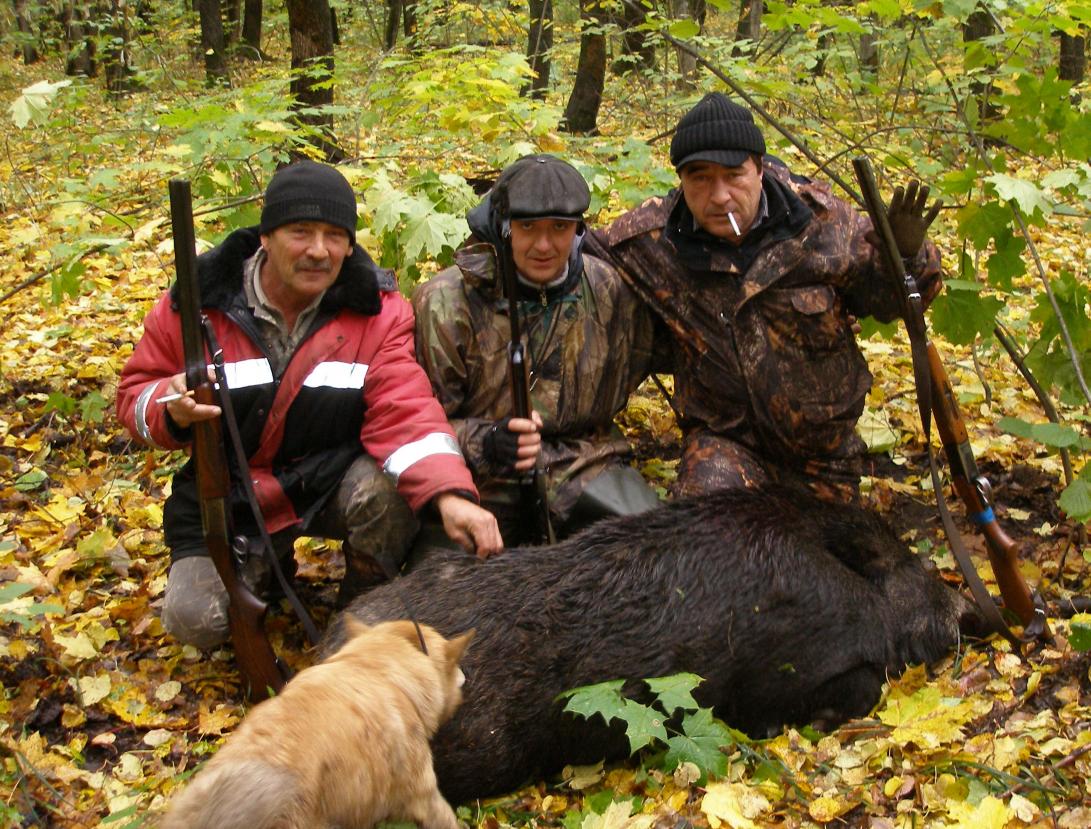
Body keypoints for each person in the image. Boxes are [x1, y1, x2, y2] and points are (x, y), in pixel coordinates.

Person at [117, 161, 502, 648]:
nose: (319, 250)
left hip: (325, 482)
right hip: (230, 496)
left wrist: (450, 494)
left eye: (334, 235)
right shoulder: (195, 305)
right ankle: (267, 567)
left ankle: (360, 614)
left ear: (349, 245)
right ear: (266, 237)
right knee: (197, 621)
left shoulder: (378, 312)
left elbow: (405, 408)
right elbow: (134, 396)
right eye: (300, 232)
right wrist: (169, 407)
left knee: (387, 494)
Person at [587, 93, 943, 501]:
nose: (719, 196)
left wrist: (907, 256)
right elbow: (569, 254)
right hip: (726, 447)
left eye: (733, 175)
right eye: (700, 178)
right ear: (681, 180)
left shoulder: (825, 223)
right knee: (705, 526)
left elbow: (891, 301)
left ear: (759, 168)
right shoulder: (654, 237)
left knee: (827, 540)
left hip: (824, 455)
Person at [412, 154, 660, 548]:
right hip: (479, 472)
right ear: (503, 227)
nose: (544, 245)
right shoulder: (445, 302)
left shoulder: (609, 289)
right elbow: (419, 423)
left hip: (584, 462)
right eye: (527, 227)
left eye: (559, 228)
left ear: (578, 230)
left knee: (648, 548)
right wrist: (485, 441)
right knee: (443, 579)